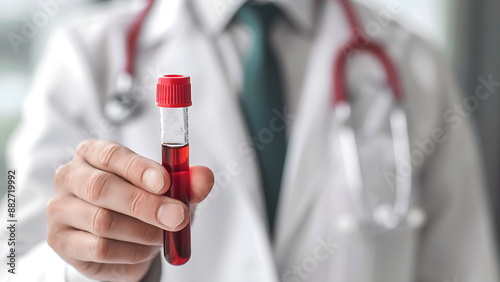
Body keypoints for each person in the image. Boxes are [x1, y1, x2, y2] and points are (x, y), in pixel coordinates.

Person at [1, 0, 499, 281]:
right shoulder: (82, 58)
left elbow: (466, 269)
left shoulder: (416, 67)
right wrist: (80, 265)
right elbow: (10, 259)